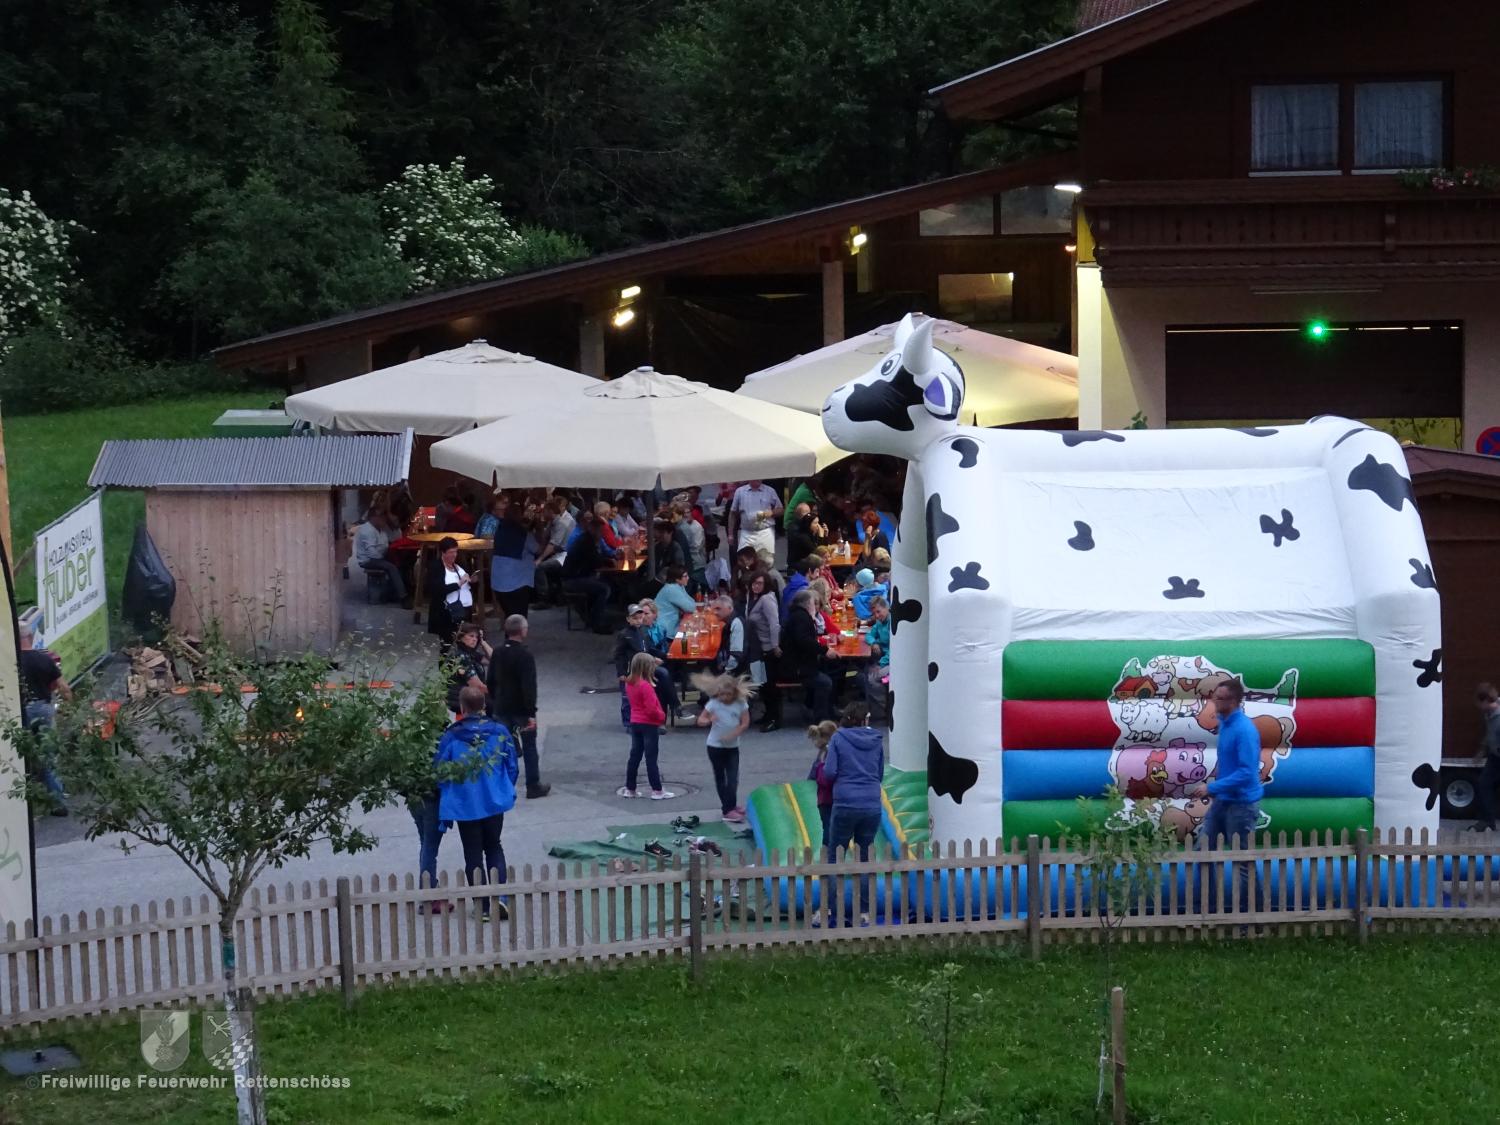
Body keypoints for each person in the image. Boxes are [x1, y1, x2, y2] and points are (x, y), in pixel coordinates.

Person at [434, 686, 517, 923]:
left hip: (465, 803)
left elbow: (440, 769)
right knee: (494, 846)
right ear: (483, 705)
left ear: (462, 707)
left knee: (472, 854)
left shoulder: (452, 735)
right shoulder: (499, 731)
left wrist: (448, 793)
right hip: (493, 800)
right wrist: (503, 788)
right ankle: (501, 897)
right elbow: (511, 765)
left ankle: (481, 905)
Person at [1187, 677, 1264, 916]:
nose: (1214, 702)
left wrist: (1213, 787)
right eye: (1214, 697)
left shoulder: (1244, 730)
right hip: (1224, 801)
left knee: (1242, 862)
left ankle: (1252, 919)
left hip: (1241, 804)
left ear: (1232, 701)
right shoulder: (1226, 724)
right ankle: (1207, 912)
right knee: (1203, 851)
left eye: (1219, 699)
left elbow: (1247, 772)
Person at [820, 702, 885, 927]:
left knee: (835, 856)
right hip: (871, 802)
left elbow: (830, 772)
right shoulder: (876, 740)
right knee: (864, 857)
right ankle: (864, 912)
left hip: (845, 802)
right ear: (865, 719)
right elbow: (879, 773)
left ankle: (832, 911)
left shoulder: (838, 738)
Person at [488, 614, 550, 799]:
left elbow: (491, 679)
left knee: (503, 747)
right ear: (523, 631)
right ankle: (533, 785)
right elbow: (528, 686)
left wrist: (496, 700)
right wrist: (531, 712)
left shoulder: (498, 652)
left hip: (502, 707)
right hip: (521, 710)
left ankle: (503, 785)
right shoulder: (525, 655)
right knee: (529, 746)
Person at [19, 627, 69, 812]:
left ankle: (22, 803)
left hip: (21, 710)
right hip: (43, 708)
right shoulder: (45, 659)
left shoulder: (12, 662)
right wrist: (70, 707)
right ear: (31, 637)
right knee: (48, 755)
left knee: (19, 754)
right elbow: (63, 687)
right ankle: (58, 803)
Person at [693, 672, 753, 822]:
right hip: (715, 746)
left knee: (733, 778)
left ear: (734, 692)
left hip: (732, 747)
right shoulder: (713, 703)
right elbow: (700, 720)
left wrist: (734, 734)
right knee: (721, 778)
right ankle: (727, 810)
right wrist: (709, 720)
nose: (724, 697)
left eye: (728, 694)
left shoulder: (740, 704)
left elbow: (745, 723)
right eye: (721, 694)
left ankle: (731, 805)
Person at [619, 652, 674, 800]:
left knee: (635, 756)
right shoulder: (646, 686)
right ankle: (657, 790)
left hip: (635, 722)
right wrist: (662, 716)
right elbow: (651, 709)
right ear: (646, 668)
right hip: (649, 724)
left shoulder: (629, 683)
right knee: (651, 758)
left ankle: (630, 788)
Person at [614, 602, 679, 726]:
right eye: (635, 618)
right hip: (631, 669)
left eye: (640, 618)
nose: (638, 621)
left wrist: (666, 655)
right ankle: (628, 722)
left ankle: (674, 707)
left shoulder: (643, 631)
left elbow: (649, 648)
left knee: (663, 675)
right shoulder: (624, 635)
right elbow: (618, 654)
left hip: (645, 666)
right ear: (628, 619)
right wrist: (621, 672)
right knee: (627, 697)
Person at [782, 588, 834, 722]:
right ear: (807, 604)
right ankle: (821, 718)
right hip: (797, 668)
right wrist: (824, 650)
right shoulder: (802, 618)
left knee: (828, 672)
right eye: (812, 603)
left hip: (797, 663)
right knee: (825, 682)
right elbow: (804, 641)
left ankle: (819, 709)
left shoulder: (796, 615)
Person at [738, 571, 781, 724]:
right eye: (754, 583)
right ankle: (768, 715)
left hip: (768, 648)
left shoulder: (767, 599)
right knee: (762, 683)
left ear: (766, 584)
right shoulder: (751, 598)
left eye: (760, 583)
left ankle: (774, 718)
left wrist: (775, 645)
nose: (756, 586)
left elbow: (774, 624)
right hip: (756, 647)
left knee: (769, 685)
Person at [491, 494, 542, 620]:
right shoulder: (524, 535)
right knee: (520, 619)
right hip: (518, 582)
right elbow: (538, 549)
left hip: (498, 582)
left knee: (509, 616)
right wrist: (539, 529)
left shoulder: (499, 530)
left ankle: (509, 632)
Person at [560, 516, 613, 634]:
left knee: (605, 583)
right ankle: (597, 623)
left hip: (576, 577)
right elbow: (596, 561)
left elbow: (596, 560)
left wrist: (607, 560)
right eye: (599, 531)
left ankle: (592, 616)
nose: (601, 534)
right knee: (604, 589)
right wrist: (609, 561)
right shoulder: (586, 542)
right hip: (572, 580)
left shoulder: (587, 540)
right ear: (592, 529)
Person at [427, 537, 473, 652]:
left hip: (464, 609)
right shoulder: (436, 567)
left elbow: (467, 579)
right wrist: (458, 584)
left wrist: (472, 580)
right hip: (447, 612)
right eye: (451, 552)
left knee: (466, 644)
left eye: (456, 551)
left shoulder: (459, 564)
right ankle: (446, 664)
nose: (454, 555)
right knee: (447, 645)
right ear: (443, 552)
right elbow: (437, 589)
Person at [353, 508, 407, 604]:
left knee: (401, 563)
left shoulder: (380, 529)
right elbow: (371, 552)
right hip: (369, 559)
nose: (384, 519)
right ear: (373, 518)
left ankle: (393, 594)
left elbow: (386, 543)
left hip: (379, 556)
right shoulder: (367, 530)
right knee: (391, 567)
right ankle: (403, 597)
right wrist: (385, 559)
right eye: (381, 516)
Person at [729, 479, 783, 567]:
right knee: (744, 563)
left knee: (766, 563)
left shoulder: (770, 491)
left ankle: (764, 575)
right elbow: (733, 513)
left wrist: (771, 513)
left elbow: (781, 510)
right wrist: (730, 534)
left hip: (765, 532)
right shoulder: (740, 491)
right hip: (747, 533)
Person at [1468, 683, 1500, 831]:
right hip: (1495, 756)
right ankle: (1487, 821)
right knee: (1484, 784)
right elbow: (1490, 733)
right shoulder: (1489, 714)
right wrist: (1482, 750)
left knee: (1486, 784)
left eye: (1479, 702)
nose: (1478, 706)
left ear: (1486, 700)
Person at [534, 495, 576, 605]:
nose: (543, 513)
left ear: (550, 512)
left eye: (545, 511)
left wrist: (540, 559)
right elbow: (544, 538)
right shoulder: (552, 522)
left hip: (564, 556)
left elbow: (552, 545)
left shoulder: (561, 524)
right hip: (557, 553)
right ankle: (555, 595)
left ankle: (544, 599)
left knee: (539, 567)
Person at [709, 594, 759, 679]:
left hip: (747, 673)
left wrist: (724, 675)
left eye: (718, 609)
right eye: (714, 609)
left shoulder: (737, 623)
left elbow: (736, 656)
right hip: (744, 668)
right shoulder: (730, 621)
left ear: (729, 608)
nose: (715, 612)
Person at [446, 622, 491, 714]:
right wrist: (500, 692)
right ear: (461, 637)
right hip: (461, 701)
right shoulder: (461, 656)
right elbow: (478, 686)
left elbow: (494, 659)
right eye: (471, 636)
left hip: (472, 697)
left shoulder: (471, 654)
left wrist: (483, 642)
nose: (475, 639)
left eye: (477, 637)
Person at [806, 720, 838, 840]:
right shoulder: (829, 753)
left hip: (824, 799)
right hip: (831, 798)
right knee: (830, 827)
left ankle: (828, 847)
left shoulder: (823, 754)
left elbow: (813, 777)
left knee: (828, 826)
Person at [863, 596, 891, 725]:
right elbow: (869, 635)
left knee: (872, 678)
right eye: (874, 613)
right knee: (867, 672)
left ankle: (883, 711)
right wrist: (874, 643)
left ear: (887, 608)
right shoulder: (880, 623)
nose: (877, 616)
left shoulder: (892, 623)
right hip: (884, 658)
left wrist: (881, 664)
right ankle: (880, 708)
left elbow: (895, 649)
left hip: (894, 660)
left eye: (879, 612)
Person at [653, 566, 698, 639]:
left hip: (674, 626)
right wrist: (692, 606)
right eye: (685, 576)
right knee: (694, 634)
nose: (688, 578)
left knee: (695, 630)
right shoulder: (671, 589)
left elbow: (692, 602)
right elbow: (691, 608)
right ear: (677, 579)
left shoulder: (678, 586)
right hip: (667, 631)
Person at [781, 555, 819, 621]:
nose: (818, 575)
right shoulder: (804, 590)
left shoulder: (793, 582)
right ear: (810, 571)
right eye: (817, 571)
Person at [785, 502, 824, 567]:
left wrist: (824, 535)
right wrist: (821, 536)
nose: (811, 515)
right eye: (809, 514)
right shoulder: (797, 531)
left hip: (807, 560)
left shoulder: (806, 528)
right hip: (800, 564)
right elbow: (818, 552)